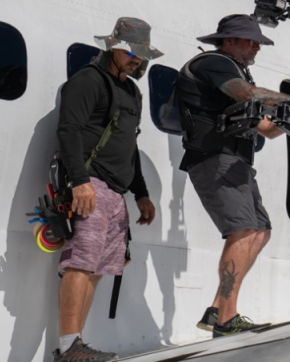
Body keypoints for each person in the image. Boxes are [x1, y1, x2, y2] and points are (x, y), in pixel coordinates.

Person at [177, 14, 290, 337]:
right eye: (251, 41)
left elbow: (268, 131)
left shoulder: (232, 71)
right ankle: (227, 320)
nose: (257, 47)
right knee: (244, 231)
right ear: (229, 41)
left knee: (260, 232)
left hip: (236, 161)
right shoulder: (214, 63)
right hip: (215, 157)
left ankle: (217, 308)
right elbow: (248, 94)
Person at [54, 18, 162, 362]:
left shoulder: (132, 91)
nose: (137, 61)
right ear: (113, 47)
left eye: (141, 56)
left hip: (116, 191)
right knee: (81, 262)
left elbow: (128, 145)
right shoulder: (88, 80)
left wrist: (140, 193)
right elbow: (68, 130)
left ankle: (75, 346)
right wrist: (79, 181)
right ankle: (70, 346)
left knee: (99, 267)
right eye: (132, 53)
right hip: (91, 182)